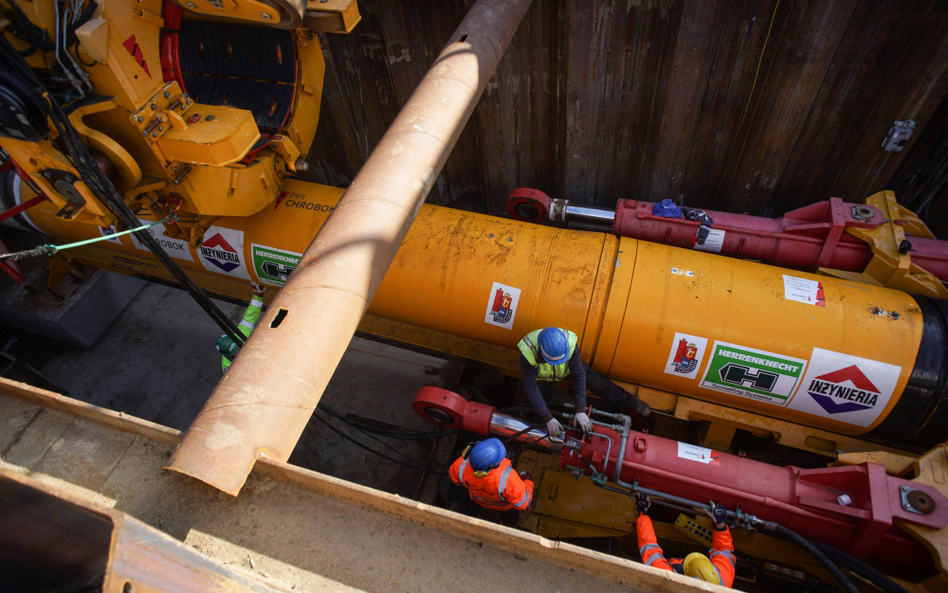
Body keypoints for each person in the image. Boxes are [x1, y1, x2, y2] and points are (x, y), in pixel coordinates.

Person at [517, 327, 650, 437]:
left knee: (598, 383)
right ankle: (539, 427)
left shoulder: (569, 342)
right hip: (542, 376)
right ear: (541, 351)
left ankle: (631, 403)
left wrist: (580, 409)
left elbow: (579, 374)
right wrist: (547, 417)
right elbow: (530, 385)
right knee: (537, 405)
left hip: (567, 370)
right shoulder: (528, 350)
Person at [635, 493, 736, 587]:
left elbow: (649, 548)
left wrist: (642, 513)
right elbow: (723, 549)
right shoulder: (722, 580)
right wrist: (720, 524)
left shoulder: (668, 578)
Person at [449, 438, 534, 514]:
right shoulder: (507, 479)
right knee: (511, 514)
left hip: (477, 500)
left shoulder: (461, 465)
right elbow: (523, 503)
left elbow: (453, 477)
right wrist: (527, 480)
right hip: (502, 507)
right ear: (493, 466)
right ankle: (510, 522)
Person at [215, 281, 265, 372]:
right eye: (234, 354)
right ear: (228, 356)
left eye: (238, 348)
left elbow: (250, 317)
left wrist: (258, 295)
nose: (239, 353)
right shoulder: (229, 370)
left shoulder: (240, 335)